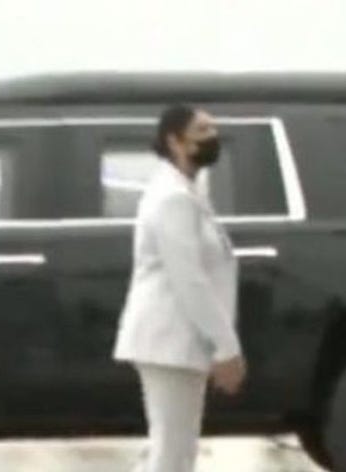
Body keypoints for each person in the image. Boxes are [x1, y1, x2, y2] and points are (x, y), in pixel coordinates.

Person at [112, 104, 247, 472]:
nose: (212, 137)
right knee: (173, 454)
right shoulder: (173, 197)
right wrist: (226, 346)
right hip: (169, 339)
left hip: (178, 340)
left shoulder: (186, 191)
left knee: (170, 449)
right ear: (174, 141)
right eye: (202, 130)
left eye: (213, 129)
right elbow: (189, 278)